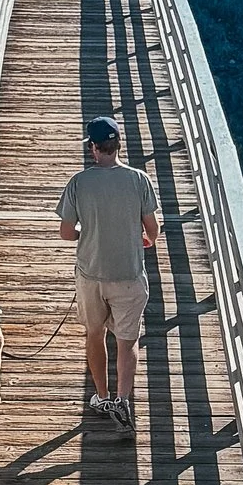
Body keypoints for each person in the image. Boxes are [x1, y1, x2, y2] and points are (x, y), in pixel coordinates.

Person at [56, 113, 159, 436]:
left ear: (93, 149)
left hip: (92, 275)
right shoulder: (138, 179)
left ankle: (102, 397)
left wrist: (85, 234)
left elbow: (66, 232)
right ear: (118, 145)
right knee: (127, 342)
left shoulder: (79, 183)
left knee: (94, 334)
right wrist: (143, 239)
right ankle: (123, 400)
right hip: (129, 274)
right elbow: (152, 231)